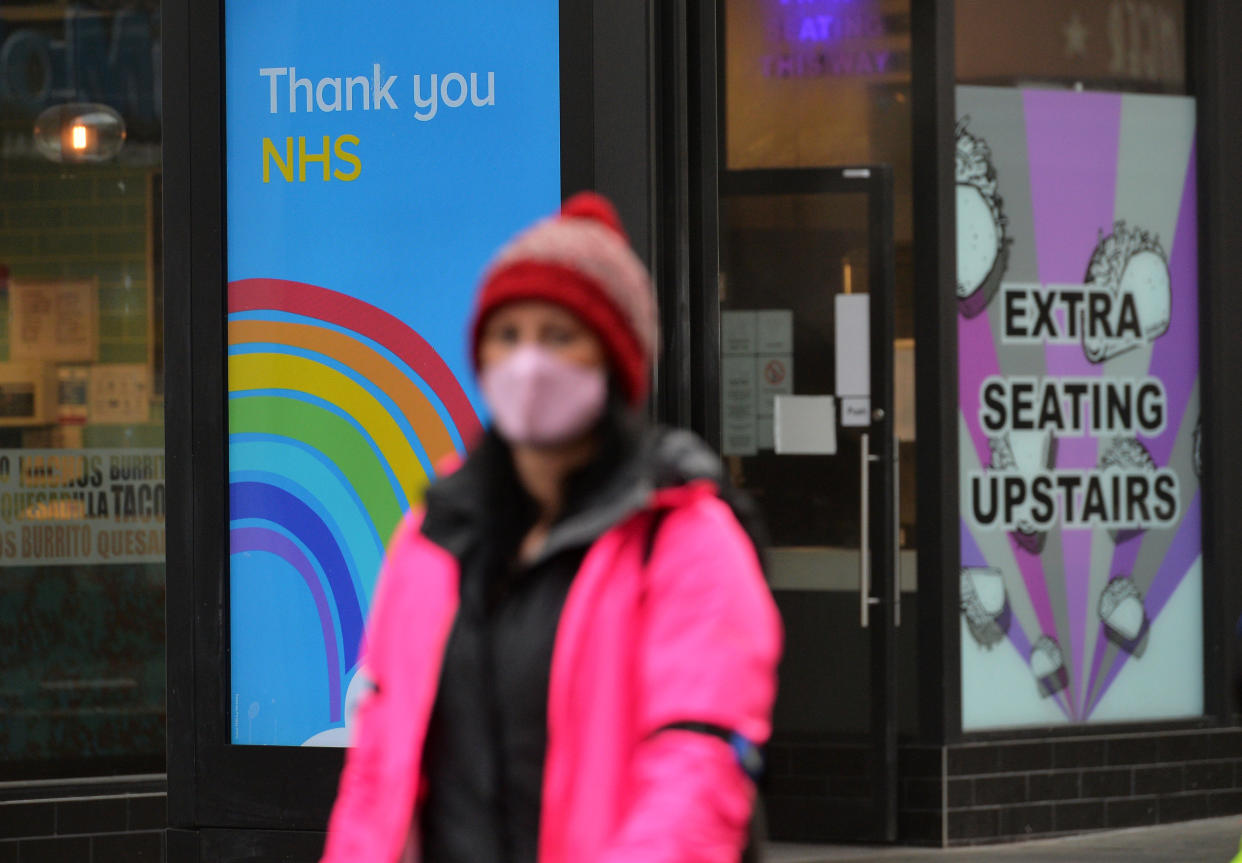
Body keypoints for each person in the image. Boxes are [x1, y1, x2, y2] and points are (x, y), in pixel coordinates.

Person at [320, 192, 783, 863]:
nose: (529, 363)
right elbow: (377, 768)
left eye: (559, 335)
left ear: (614, 359)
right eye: (508, 335)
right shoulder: (436, 535)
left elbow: (696, 769)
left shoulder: (684, 537)